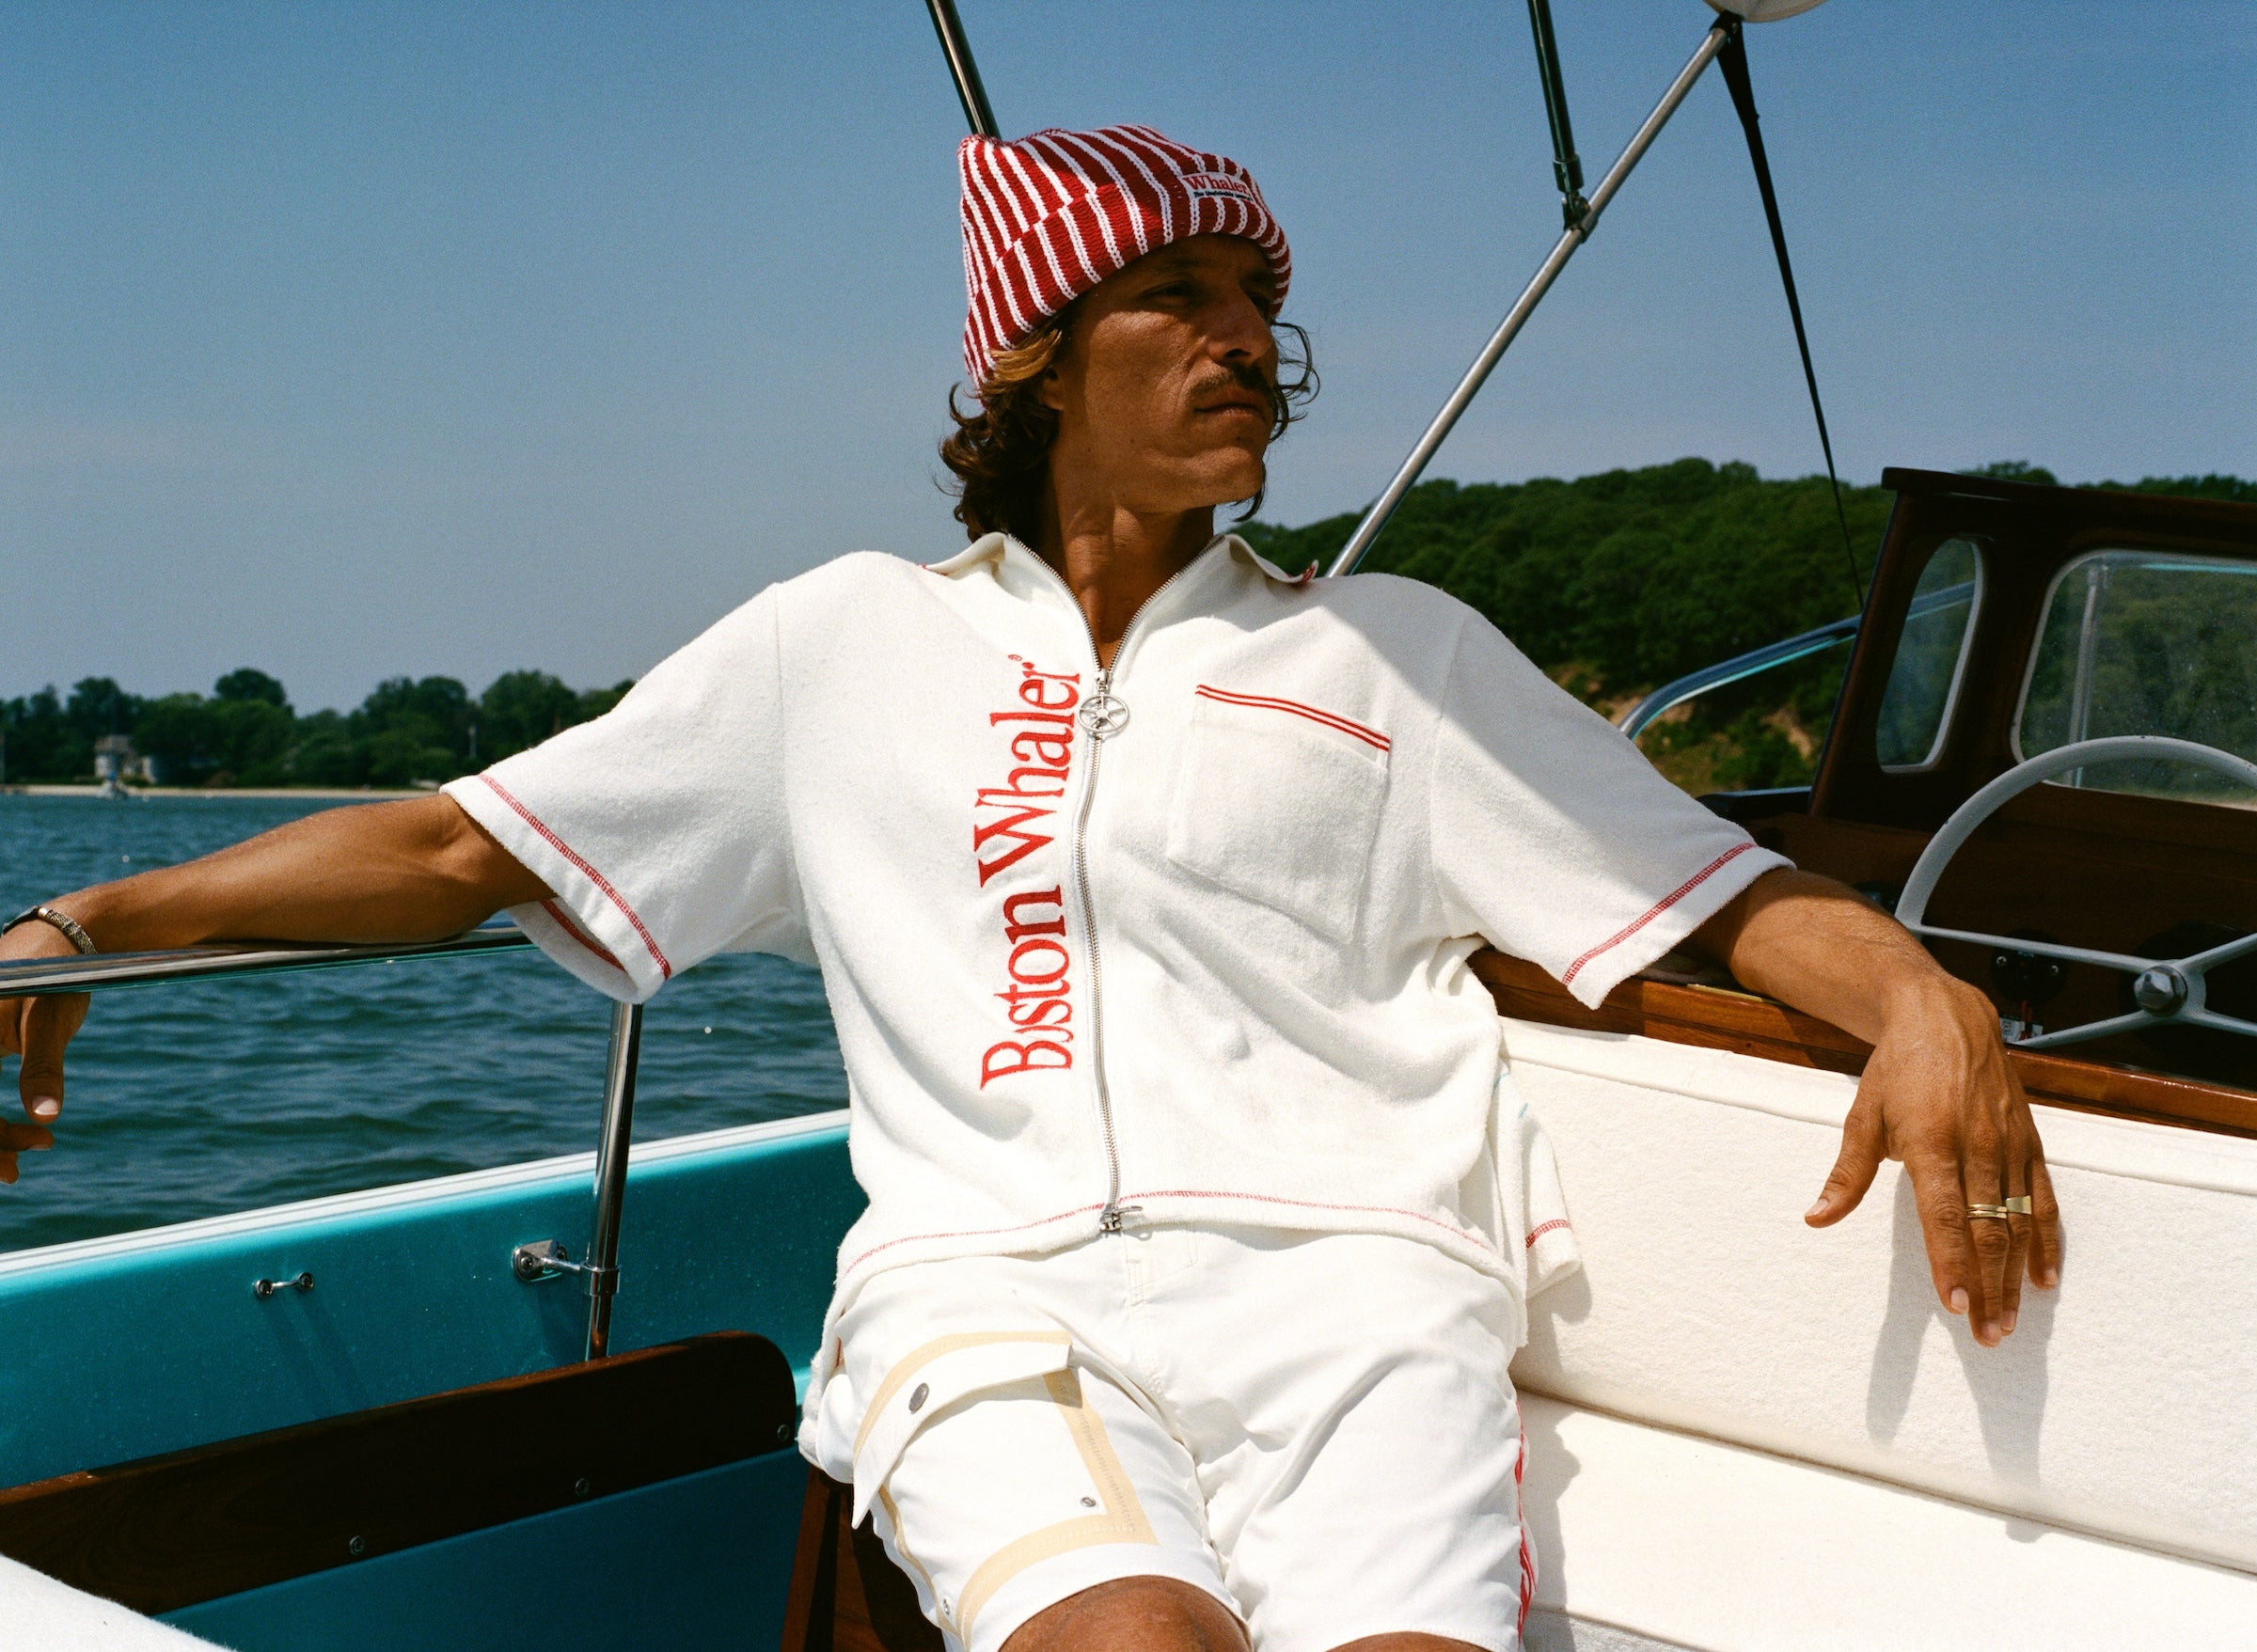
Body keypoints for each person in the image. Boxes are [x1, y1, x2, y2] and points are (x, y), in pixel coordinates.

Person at [0, 125, 2058, 1652]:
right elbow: (461, 845)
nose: (1251, 349)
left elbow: (1706, 895)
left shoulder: (1401, 654)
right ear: (1040, 363)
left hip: (1363, 1300)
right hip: (990, 1297)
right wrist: (87, 920)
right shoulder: (837, 647)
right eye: (1185, 304)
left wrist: (1924, 1005)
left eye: (1265, 311)